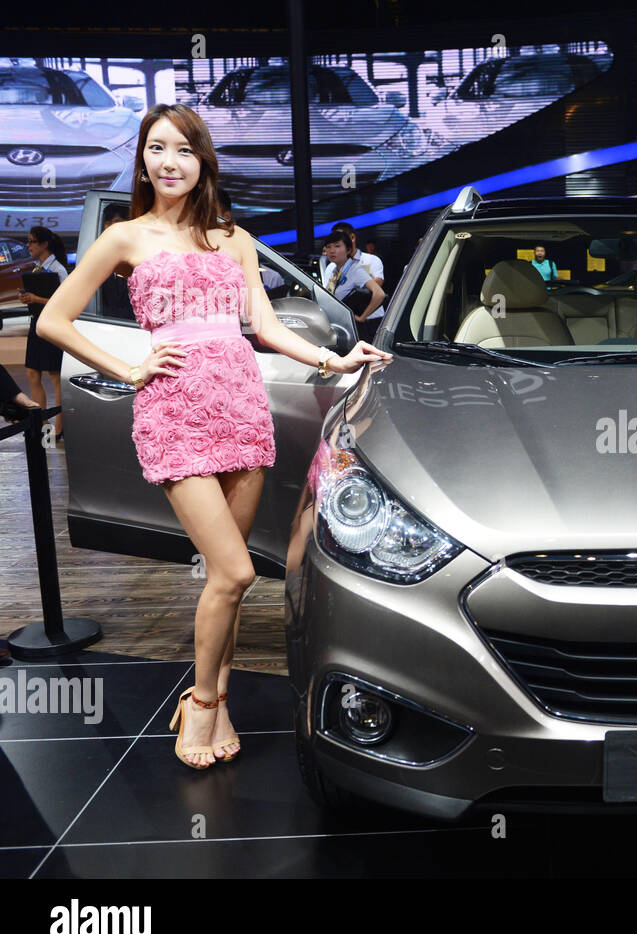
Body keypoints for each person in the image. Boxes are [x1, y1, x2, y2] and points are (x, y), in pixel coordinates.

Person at [35, 103, 391, 769]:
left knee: (228, 582)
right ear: (142, 158)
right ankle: (200, 701)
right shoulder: (124, 237)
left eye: (184, 150)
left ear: (203, 162)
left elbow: (267, 327)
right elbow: (55, 321)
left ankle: (219, 694)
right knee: (232, 567)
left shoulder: (234, 239)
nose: (169, 162)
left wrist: (335, 359)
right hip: (173, 415)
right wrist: (132, 367)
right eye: (157, 148)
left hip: (241, 408)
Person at [19, 226, 70, 439]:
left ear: (44, 244)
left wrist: (37, 299)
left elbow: (67, 302)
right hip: (36, 324)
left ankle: (59, 426)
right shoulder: (36, 269)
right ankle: (44, 425)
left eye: (32, 241)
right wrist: (27, 299)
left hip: (52, 325)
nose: (28, 245)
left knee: (55, 376)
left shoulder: (58, 270)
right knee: (32, 373)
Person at [322, 229, 386, 342]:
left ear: (348, 250)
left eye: (337, 246)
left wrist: (361, 318)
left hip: (360, 330)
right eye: (328, 247)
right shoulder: (333, 271)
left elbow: (379, 294)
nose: (332, 250)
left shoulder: (355, 270)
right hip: (341, 326)